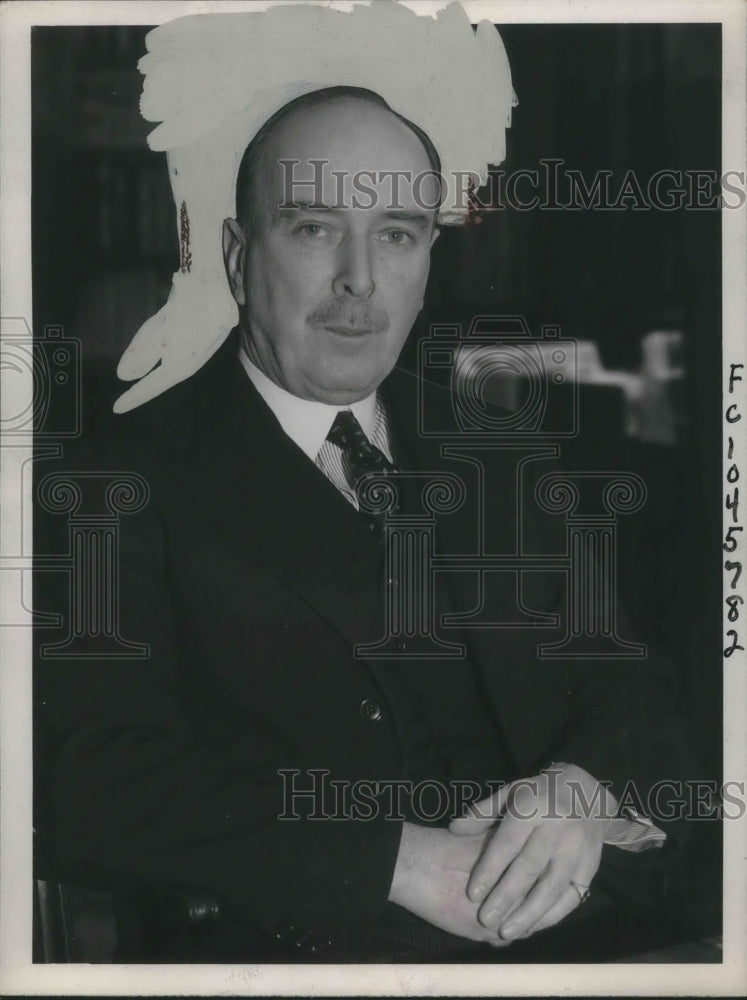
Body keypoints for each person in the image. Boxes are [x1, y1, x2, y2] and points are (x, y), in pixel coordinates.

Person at [35, 80, 702, 964]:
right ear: (237, 257)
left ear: (428, 260)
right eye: (313, 229)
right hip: (311, 955)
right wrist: (386, 860)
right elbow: (93, 780)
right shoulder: (116, 477)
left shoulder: (495, 450)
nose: (360, 279)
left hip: (588, 936)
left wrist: (578, 791)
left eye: (396, 234)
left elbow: (629, 690)